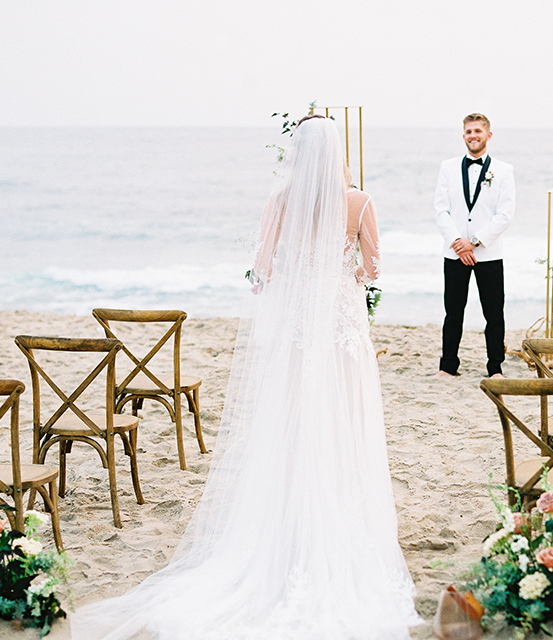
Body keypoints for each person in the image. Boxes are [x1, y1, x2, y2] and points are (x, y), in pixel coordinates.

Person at [70, 116, 420, 640]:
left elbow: (261, 272)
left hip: (298, 330)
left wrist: (296, 275)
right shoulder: (360, 202)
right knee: (343, 422)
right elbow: (373, 270)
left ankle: (286, 522)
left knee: (291, 420)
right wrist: (344, 272)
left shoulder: (281, 199)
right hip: (342, 330)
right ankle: (341, 521)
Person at [434, 113, 515, 378]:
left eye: (478, 131)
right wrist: (458, 243)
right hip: (455, 252)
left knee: (494, 313)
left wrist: (475, 242)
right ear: (463, 136)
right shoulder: (447, 167)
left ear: (488, 135)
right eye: (469, 131)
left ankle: (495, 368)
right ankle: (447, 367)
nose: (473, 136)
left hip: (488, 254)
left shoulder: (504, 171)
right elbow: (440, 210)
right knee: (453, 311)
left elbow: (505, 215)